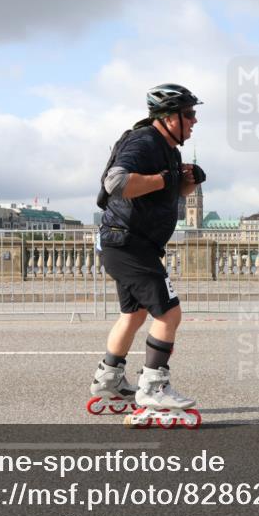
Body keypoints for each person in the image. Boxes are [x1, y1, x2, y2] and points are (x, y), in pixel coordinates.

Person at [87, 84, 206, 429]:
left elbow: (168, 188)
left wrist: (187, 182)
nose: (194, 120)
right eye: (189, 114)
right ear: (169, 118)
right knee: (169, 313)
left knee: (134, 314)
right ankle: (154, 387)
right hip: (129, 243)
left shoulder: (167, 147)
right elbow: (117, 182)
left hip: (128, 244)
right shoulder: (144, 142)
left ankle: (108, 382)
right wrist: (165, 178)